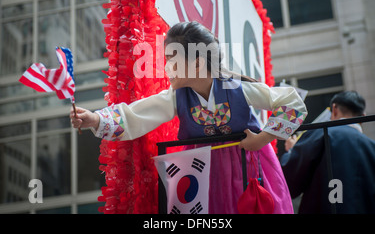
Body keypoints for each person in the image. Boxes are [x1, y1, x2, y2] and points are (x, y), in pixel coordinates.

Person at [70, 21, 307, 214]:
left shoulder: (238, 89)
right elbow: (135, 115)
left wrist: (262, 139)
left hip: (251, 173)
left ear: (197, 63)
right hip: (206, 178)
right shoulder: (176, 97)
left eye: (172, 60)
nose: (166, 68)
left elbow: (293, 103)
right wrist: (96, 119)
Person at [280, 91, 375, 214]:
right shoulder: (371, 147)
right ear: (363, 116)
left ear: (334, 109)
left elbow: (289, 181)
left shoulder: (322, 134)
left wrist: (292, 150)